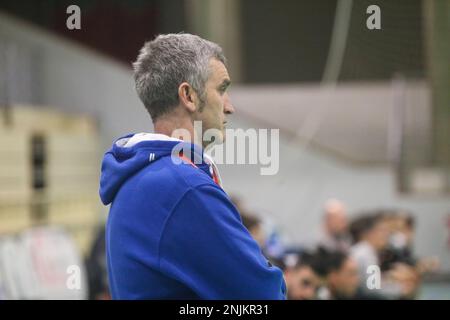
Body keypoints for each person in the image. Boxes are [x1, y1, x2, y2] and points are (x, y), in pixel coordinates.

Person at [99, 33, 286, 299]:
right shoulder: (183, 187)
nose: (230, 107)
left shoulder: (140, 175)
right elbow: (263, 296)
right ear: (188, 95)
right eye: (221, 89)